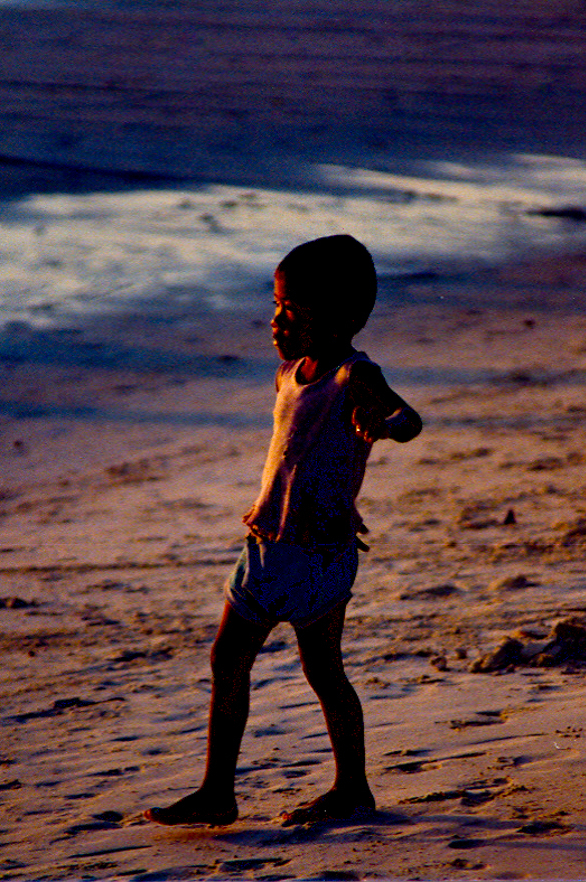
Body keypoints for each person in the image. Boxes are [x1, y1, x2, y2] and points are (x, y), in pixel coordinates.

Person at [143, 234, 422, 828]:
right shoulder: (288, 376)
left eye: (291, 310)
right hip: (272, 544)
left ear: (347, 317)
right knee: (268, 664)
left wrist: (386, 423)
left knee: (281, 665)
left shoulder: (354, 376)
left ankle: (312, 789)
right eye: (275, 307)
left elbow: (408, 417)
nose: (276, 321)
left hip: (312, 553)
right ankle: (272, 790)